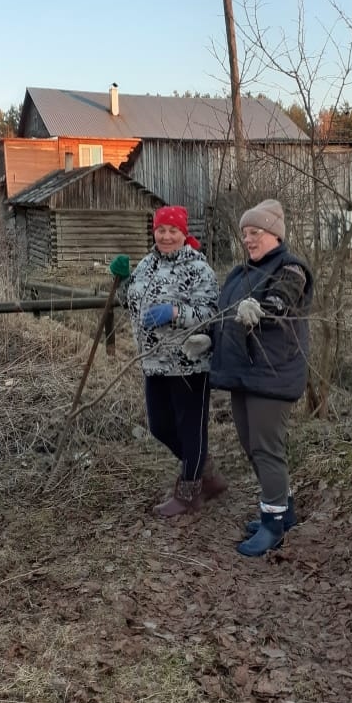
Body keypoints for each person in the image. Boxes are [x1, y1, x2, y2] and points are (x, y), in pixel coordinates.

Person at [210, 199, 313, 556]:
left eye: (256, 233)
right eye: (245, 234)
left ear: (274, 234)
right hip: (242, 372)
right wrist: (205, 340)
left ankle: (272, 527)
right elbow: (226, 316)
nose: (249, 240)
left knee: (267, 451)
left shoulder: (291, 269)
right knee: (253, 447)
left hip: (273, 374)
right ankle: (283, 511)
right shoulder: (241, 274)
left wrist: (262, 309)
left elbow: (279, 303)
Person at [110, 205, 226, 517]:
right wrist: (120, 281)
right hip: (154, 362)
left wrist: (175, 314)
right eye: (161, 229)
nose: (166, 236)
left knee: (191, 429)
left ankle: (190, 492)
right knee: (160, 426)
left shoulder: (198, 269)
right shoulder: (147, 265)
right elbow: (131, 305)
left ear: (184, 233)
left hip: (188, 362)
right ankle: (205, 472)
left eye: (173, 230)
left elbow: (212, 313)